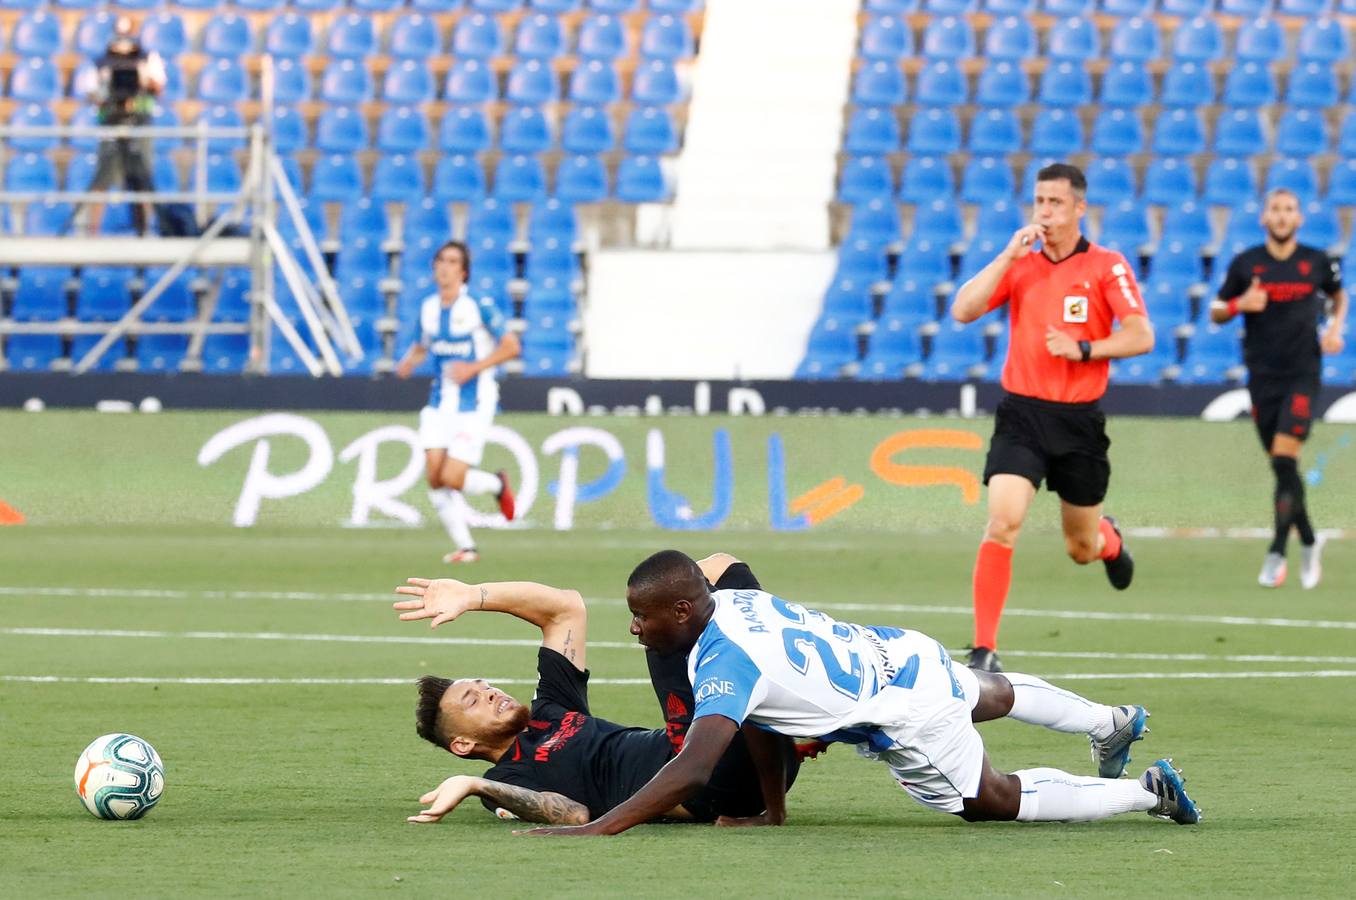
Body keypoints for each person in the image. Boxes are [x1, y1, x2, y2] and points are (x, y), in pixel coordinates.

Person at [517, 551, 1200, 837]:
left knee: (991, 800)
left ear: (684, 616)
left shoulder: (721, 660)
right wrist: (773, 814)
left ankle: (1148, 792)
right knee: (989, 691)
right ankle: (1108, 721)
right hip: (897, 653)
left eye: (644, 616)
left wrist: (598, 828)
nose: (635, 627)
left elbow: (694, 769)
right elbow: (763, 719)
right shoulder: (735, 603)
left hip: (907, 716)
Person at [393, 553, 802, 826]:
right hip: (710, 783)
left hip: (762, 761)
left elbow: (565, 608)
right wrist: (476, 784)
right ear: (462, 744)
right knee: (663, 629)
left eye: (485, 686)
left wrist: (473, 595)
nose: (492, 693)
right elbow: (573, 813)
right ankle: (791, 691)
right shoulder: (509, 775)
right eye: (474, 700)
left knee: (719, 568)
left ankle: (800, 690)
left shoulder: (551, 707)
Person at [949, 162, 1154, 673]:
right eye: (1039, 201)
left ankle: (1109, 541)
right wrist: (1005, 255)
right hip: (1022, 414)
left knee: (1080, 547)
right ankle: (983, 650)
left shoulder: (1107, 266)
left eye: (1056, 202)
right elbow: (963, 309)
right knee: (1003, 522)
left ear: (1080, 208)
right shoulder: (1019, 264)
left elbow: (1141, 335)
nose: (1045, 211)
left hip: (1079, 421)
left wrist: (1084, 348)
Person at [1210, 188, 1347, 589]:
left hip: (1303, 374)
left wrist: (1337, 328)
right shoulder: (1246, 264)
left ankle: (1275, 551)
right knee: (1280, 465)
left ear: (1299, 219)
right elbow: (1216, 310)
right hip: (1262, 378)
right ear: (1264, 218)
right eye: (1276, 210)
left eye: (1289, 210)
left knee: (1286, 460)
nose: (1282, 216)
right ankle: (1308, 538)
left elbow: (1340, 295)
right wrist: (1239, 306)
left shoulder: (1316, 261)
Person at [396, 240, 520, 564]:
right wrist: (409, 361)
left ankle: (497, 484)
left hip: (475, 403)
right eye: (440, 260)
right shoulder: (428, 308)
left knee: (452, 477)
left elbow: (511, 347)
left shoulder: (478, 305)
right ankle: (467, 547)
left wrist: (473, 368)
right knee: (435, 477)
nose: (444, 266)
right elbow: (424, 344)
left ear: (463, 271)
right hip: (440, 403)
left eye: (452, 261)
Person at [76, 15, 166, 236]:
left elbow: (159, 88)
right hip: (111, 124)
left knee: (142, 181)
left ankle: (145, 233)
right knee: (103, 179)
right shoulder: (101, 62)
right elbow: (91, 93)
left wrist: (144, 80)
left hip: (140, 123)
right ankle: (91, 235)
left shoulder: (147, 59)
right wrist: (104, 89)